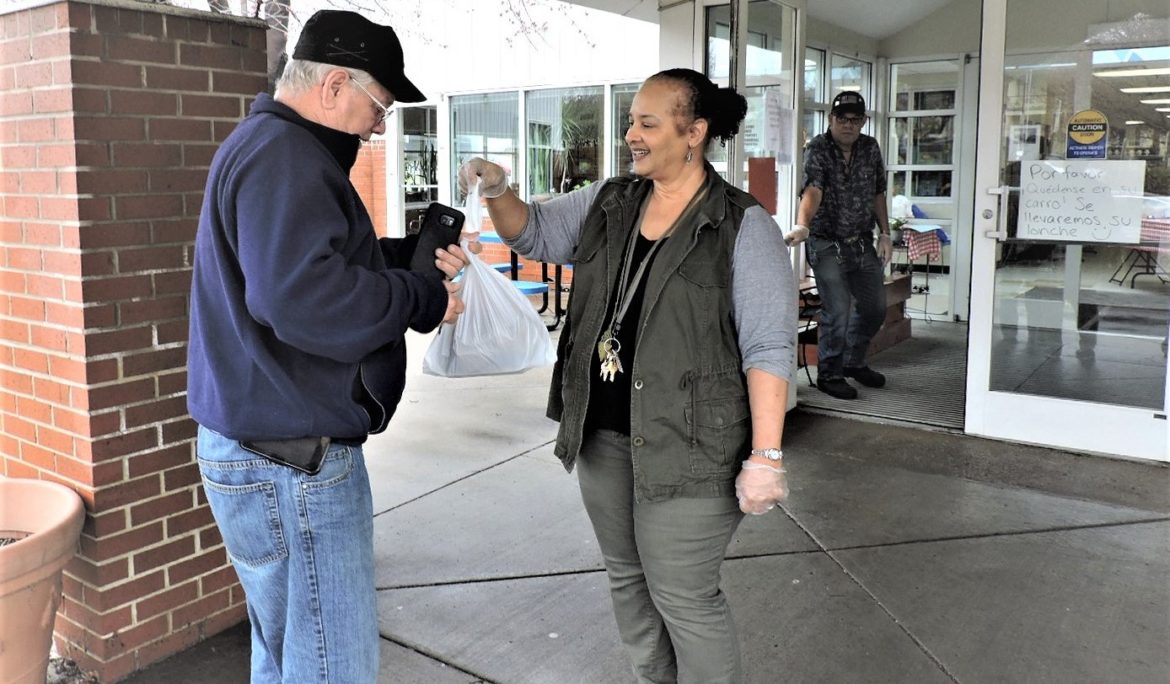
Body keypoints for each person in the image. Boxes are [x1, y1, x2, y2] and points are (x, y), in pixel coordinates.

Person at [460, 68, 795, 684]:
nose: (631, 135)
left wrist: (766, 456)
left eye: (647, 122)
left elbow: (768, 348)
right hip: (604, 436)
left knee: (686, 599)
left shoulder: (744, 228)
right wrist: (498, 187)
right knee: (629, 584)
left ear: (693, 133)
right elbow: (529, 229)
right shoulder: (610, 200)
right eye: (630, 122)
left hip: (692, 447)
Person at [187, 10, 470, 682]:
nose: (380, 125)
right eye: (380, 104)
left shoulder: (269, 148)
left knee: (285, 653)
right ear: (334, 84)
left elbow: (315, 264)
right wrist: (421, 297)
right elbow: (307, 301)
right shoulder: (286, 159)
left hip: (263, 451)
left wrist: (404, 260)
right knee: (330, 666)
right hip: (295, 466)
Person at [786, 91, 891, 400]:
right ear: (831, 119)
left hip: (861, 242)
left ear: (863, 121)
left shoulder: (870, 148)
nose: (848, 125)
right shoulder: (818, 148)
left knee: (875, 308)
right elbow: (813, 189)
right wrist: (803, 225)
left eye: (855, 120)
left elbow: (878, 192)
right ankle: (829, 374)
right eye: (842, 119)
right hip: (825, 242)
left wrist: (885, 233)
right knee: (838, 310)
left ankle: (853, 362)